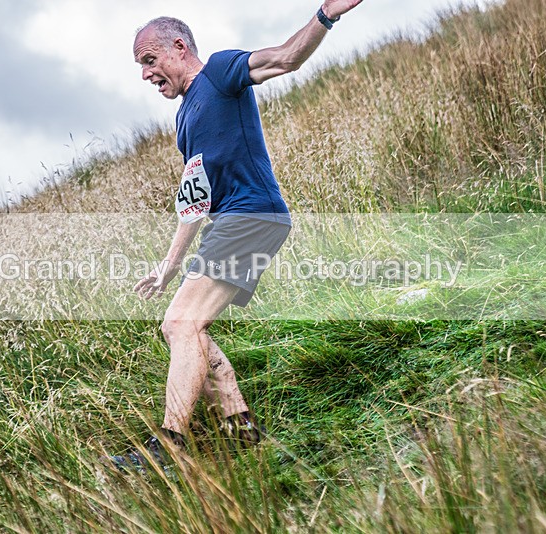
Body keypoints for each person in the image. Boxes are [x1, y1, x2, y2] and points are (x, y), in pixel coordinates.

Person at [112, 1, 364, 469]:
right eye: (141, 66)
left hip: (252, 215)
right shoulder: (184, 119)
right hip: (227, 222)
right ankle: (241, 428)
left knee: (179, 324)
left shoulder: (221, 72)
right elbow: (195, 201)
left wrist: (327, 14)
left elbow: (287, 57)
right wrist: (168, 266)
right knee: (192, 327)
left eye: (150, 61)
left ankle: (170, 447)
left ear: (179, 47)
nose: (146, 74)